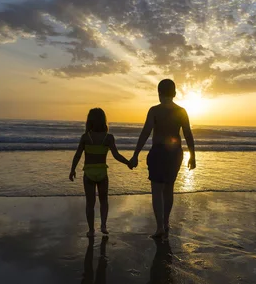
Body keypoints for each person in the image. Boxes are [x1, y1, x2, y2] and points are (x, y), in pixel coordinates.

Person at [129, 79, 196, 238]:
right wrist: (193, 156)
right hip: (174, 154)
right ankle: (166, 223)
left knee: (156, 190)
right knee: (169, 189)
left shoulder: (154, 110)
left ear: (159, 93)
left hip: (158, 152)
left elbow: (145, 133)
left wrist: (136, 154)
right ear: (174, 93)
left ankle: (160, 226)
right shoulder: (181, 111)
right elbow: (188, 134)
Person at [69, 107, 131, 237]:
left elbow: (77, 155)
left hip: (89, 174)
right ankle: (103, 225)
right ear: (104, 120)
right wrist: (128, 163)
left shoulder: (86, 137)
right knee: (104, 201)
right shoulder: (108, 138)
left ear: (89, 121)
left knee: (90, 203)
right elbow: (116, 155)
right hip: (102, 173)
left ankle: (91, 230)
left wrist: (72, 169)